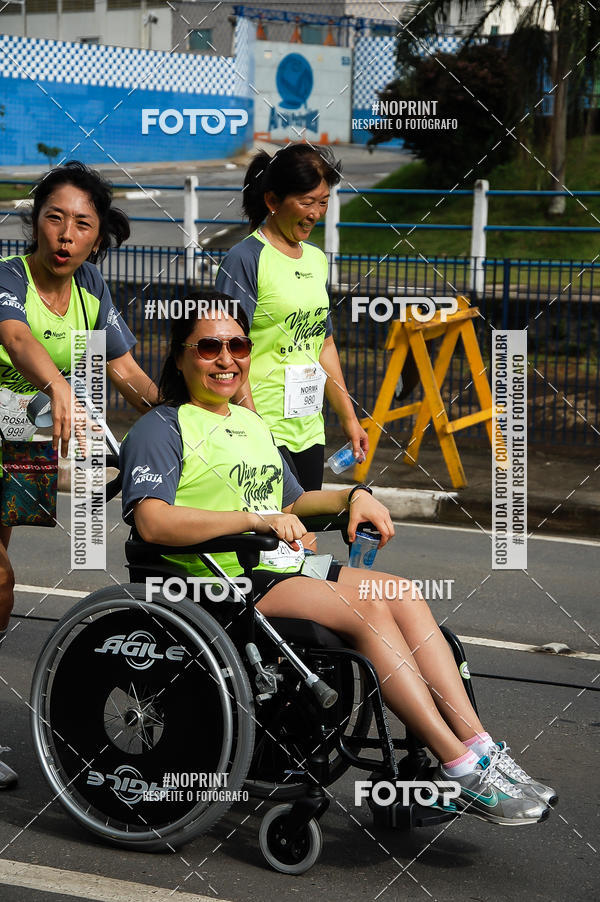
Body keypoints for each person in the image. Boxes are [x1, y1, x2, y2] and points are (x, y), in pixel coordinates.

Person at [119, 297, 557, 826]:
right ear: (181, 357)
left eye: (238, 345)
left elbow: (295, 500)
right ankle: (460, 765)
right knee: (369, 612)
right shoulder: (161, 427)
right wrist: (253, 520)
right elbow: (153, 522)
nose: (226, 359)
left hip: (270, 566)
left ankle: (482, 748)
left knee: (400, 593)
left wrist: (357, 496)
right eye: (209, 346)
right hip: (214, 582)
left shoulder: (250, 424)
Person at [0, 160, 159, 788]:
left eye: (82, 224)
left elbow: (124, 370)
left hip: (21, 437)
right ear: (36, 223)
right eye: (55, 218)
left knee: (3, 591)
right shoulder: (8, 277)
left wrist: (184, 414)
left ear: (98, 236)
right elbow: (14, 337)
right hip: (19, 420)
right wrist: (60, 383)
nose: (66, 235)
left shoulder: (92, 286)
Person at [215, 143, 368, 496]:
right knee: (274, 537)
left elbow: (323, 343)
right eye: (306, 201)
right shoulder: (245, 259)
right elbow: (227, 350)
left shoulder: (316, 259)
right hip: (260, 427)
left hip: (309, 429)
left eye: (323, 202)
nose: (316, 213)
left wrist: (348, 418)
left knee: (301, 538)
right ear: (273, 201)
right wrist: (252, 428)